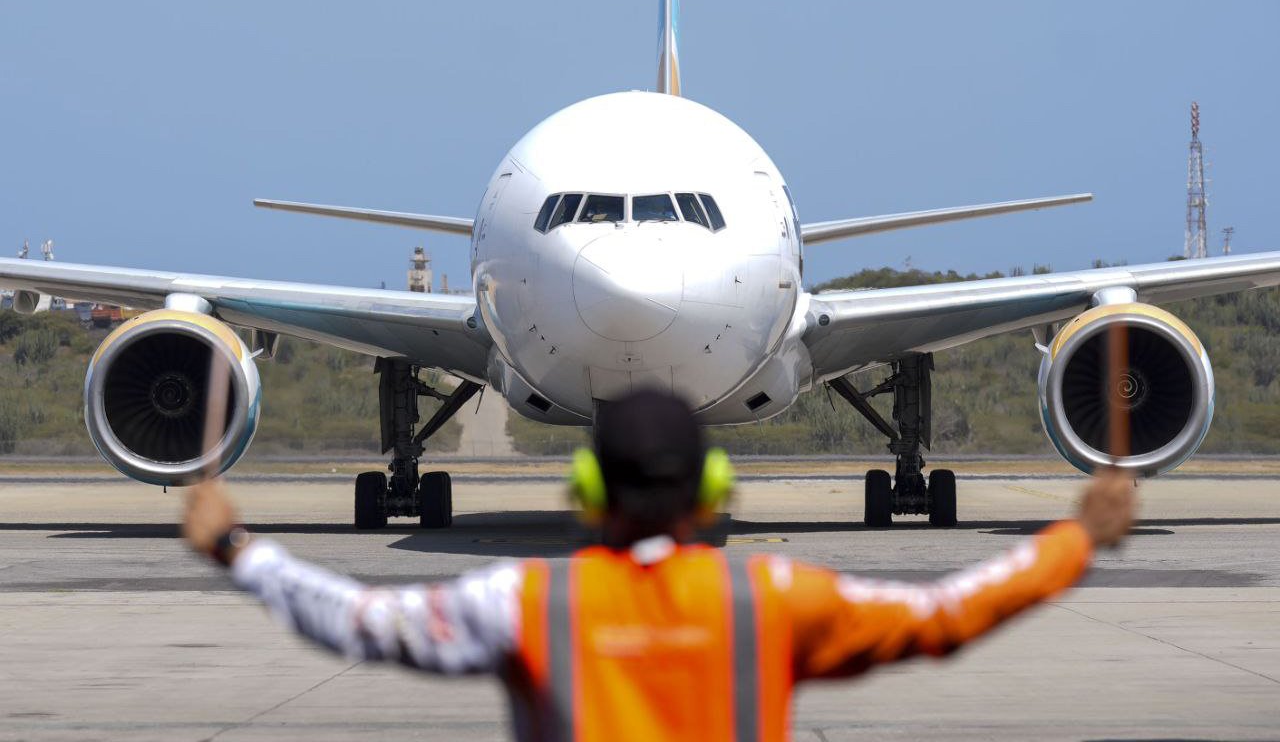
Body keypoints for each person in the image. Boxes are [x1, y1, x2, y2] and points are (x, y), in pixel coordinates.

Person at [184, 389, 1134, 742]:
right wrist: (1076, 539)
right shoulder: (771, 597)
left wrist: (235, 547)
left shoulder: (525, 603)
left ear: (586, 490)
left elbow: (354, 620)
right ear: (714, 490)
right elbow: (947, 614)